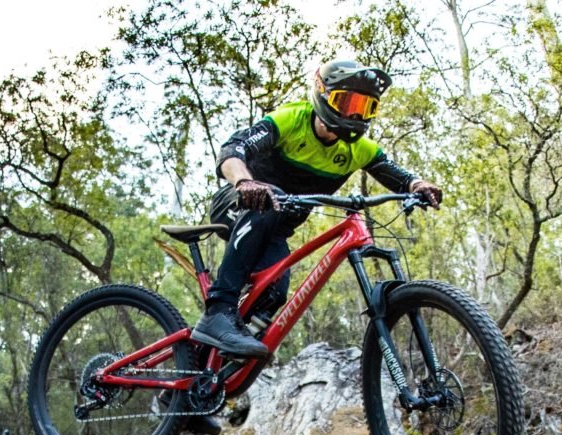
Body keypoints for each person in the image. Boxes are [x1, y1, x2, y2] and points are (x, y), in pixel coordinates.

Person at [190, 59, 443, 365]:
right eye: (347, 103)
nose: (355, 115)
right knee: (271, 201)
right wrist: (245, 182)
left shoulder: (359, 149)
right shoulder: (292, 120)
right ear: (323, 95)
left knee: (275, 292)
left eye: (365, 108)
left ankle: (211, 368)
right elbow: (233, 149)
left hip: (275, 231)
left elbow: (398, 175)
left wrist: (418, 185)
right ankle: (218, 311)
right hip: (237, 206)